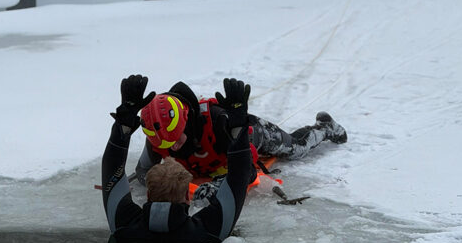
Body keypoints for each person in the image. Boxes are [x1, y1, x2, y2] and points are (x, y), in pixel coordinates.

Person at [101, 75, 254, 243]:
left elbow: (111, 165)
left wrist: (123, 122)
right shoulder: (208, 230)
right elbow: (242, 174)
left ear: (148, 194)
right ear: (187, 199)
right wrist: (238, 127)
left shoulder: (124, 225)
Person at [133, 76, 347, 200]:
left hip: (248, 135)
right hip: (207, 163)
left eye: (178, 139)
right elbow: (143, 171)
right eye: (168, 145)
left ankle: (325, 127)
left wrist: (214, 187)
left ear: (186, 121)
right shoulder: (159, 133)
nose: (175, 147)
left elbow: (247, 171)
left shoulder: (219, 121)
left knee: (296, 149)